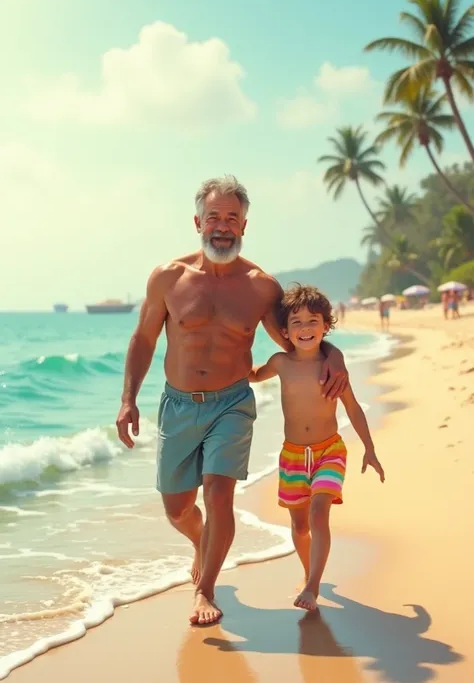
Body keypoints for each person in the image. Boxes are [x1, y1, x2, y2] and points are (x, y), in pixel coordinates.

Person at [116, 176, 349, 626]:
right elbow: (144, 338)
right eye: (214, 217)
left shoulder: (261, 287)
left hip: (232, 403)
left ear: (245, 224)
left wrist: (334, 354)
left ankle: (205, 588)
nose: (222, 226)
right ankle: (201, 539)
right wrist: (128, 399)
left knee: (219, 493)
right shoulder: (168, 277)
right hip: (179, 404)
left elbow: (300, 340)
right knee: (178, 507)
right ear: (198, 221)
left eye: (232, 218)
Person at [249, 284, 385, 612]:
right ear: (284, 331)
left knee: (318, 512)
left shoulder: (332, 368)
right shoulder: (280, 362)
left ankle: (313, 586)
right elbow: (251, 375)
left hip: (329, 450)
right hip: (293, 455)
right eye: (296, 322)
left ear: (327, 326)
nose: (305, 328)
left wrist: (369, 448)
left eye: (313, 321)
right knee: (298, 526)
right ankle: (309, 572)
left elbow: (352, 408)